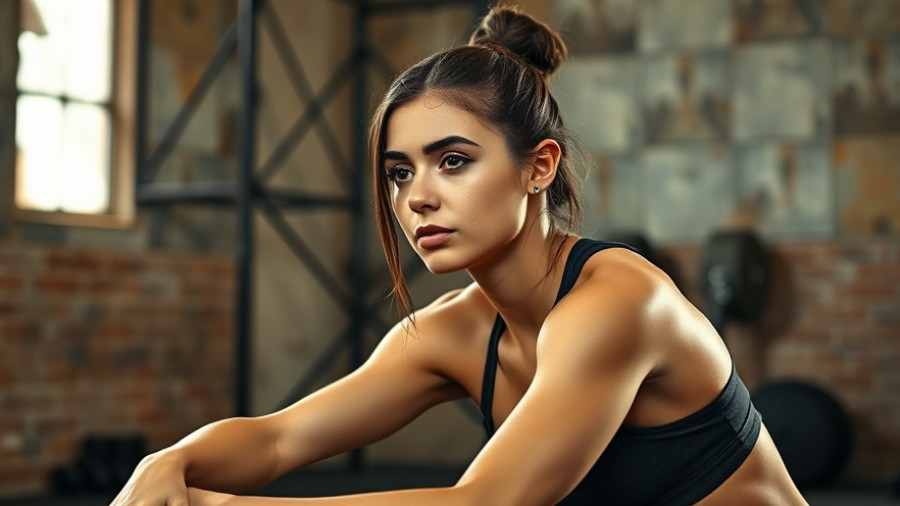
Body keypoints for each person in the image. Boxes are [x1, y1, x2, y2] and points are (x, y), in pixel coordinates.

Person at [112, 5, 808, 505]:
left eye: (453, 161)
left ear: (539, 167)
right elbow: (277, 442)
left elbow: (490, 501)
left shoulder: (621, 300)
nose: (417, 197)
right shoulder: (449, 333)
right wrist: (171, 463)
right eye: (398, 171)